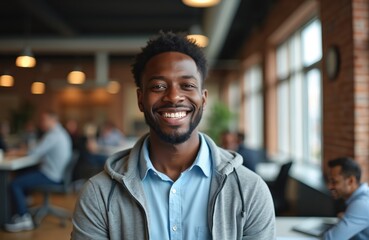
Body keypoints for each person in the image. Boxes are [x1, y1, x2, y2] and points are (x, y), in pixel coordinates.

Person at [72, 31, 275, 239]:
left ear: (203, 99)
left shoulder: (249, 190)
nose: (174, 96)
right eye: (158, 86)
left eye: (187, 85)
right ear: (140, 99)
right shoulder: (99, 194)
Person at [4, 110, 72, 232]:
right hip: (57, 173)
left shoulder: (53, 135)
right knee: (23, 174)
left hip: (51, 175)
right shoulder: (61, 133)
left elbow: (34, 152)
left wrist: (16, 152)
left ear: (53, 120)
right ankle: (23, 205)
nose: (41, 123)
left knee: (15, 183)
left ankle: (24, 218)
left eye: (44, 120)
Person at [324, 157, 369, 239]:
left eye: (334, 182)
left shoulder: (362, 203)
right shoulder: (361, 197)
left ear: (351, 181)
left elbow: (331, 238)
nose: (329, 186)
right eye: (329, 181)